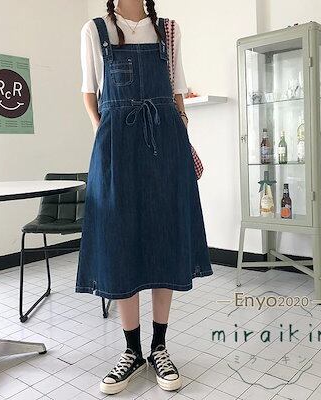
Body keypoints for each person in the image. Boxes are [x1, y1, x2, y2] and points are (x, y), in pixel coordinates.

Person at [76, 0, 213, 395]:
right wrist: (104, 134)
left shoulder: (168, 29)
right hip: (116, 148)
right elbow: (89, 93)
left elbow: (177, 92)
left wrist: (181, 131)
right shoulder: (94, 30)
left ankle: (159, 347)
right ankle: (132, 351)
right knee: (121, 243)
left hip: (164, 144)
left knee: (164, 238)